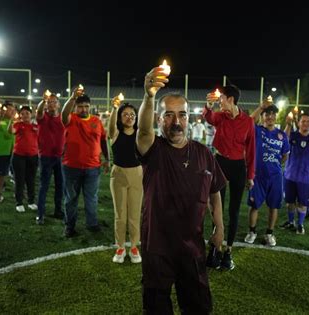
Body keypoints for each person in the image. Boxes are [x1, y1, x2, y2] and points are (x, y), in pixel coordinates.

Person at [136, 66, 225, 313]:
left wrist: (219, 227)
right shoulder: (153, 150)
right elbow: (143, 131)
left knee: (198, 307)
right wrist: (149, 95)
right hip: (157, 247)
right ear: (159, 118)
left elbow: (215, 192)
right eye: (169, 115)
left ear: (188, 118)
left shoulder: (203, 154)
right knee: (156, 308)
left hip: (192, 247)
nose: (176, 121)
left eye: (182, 115)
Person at [203, 84, 255, 270]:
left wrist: (250, 175)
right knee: (217, 209)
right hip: (220, 164)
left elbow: (251, 150)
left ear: (231, 99)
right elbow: (209, 118)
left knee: (233, 211)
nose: (220, 102)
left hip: (238, 167)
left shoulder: (248, 121)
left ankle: (228, 252)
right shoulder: (221, 117)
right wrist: (208, 106)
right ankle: (215, 249)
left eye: (222, 98)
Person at [61, 88, 110, 237]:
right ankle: (69, 226)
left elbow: (103, 140)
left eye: (86, 106)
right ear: (76, 107)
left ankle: (92, 223)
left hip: (93, 168)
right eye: (80, 106)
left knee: (91, 197)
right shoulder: (71, 119)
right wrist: (72, 98)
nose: (84, 109)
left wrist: (107, 159)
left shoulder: (96, 121)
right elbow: (63, 114)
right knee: (71, 199)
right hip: (71, 167)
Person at [245, 102, 289, 246]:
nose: (270, 117)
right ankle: (252, 231)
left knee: (273, 206)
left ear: (276, 116)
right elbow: (250, 120)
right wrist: (261, 107)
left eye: (272, 114)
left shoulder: (282, 135)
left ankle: (269, 233)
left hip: (276, 176)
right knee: (254, 206)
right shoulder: (257, 130)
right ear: (262, 116)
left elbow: (284, 155)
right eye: (267, 114)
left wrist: (274, 165)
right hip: (258, 175)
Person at [108, 96, 143, 264]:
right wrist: (115, 108)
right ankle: (120, 246)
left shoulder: (140, 135)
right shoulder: (115, 133)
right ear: (120, 118)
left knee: (135, 214)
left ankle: (134, 246)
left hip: (137, 174)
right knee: (120, 214)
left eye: (132, 115)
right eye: (126, 114)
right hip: (119, 174)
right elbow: (110, 129)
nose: (129, 117)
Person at [281, 113, 309, 235]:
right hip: (290, 175)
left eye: (308, 121)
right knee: (290, 202)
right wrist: (288, 124)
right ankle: (290, 221)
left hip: (305, 177)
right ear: (298, 123)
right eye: (303, 121)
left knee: (303, 203)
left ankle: (300, 224)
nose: (306, 123)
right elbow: (283, 138)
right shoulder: (293, 135)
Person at [36, 92, 65, 224]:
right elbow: (39, 111)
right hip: (46, 157)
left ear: (59, 104)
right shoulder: (43, 116)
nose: (52, 104)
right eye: (49, 102)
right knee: (44, 186)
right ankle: (40, 214)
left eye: (54, 102)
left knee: (60, 186)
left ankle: (58, 210)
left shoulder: (63, 118)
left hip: (60, 157)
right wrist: (43, 101)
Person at [9, 105, 39, 213]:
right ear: (20, 116)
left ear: (31, 114)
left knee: (31, 180)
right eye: (22, 113)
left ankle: (31, 202)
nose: (25, 115)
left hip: (33, 156)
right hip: (19, 156)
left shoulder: (36, 126)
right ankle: (19, 202)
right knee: (19, 180)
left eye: (27, 113)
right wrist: (11, 121)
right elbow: (11, 131)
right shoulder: (18, 124)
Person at [0, 101, 16, 203]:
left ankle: (18, 193)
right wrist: (1, 117)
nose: (12, 111)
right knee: (2, 174)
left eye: (12, 109)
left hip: (15, 151)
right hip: (3, 151)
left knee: (17, 174)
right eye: (9, 109)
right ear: (3, 110)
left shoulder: (15, 121)